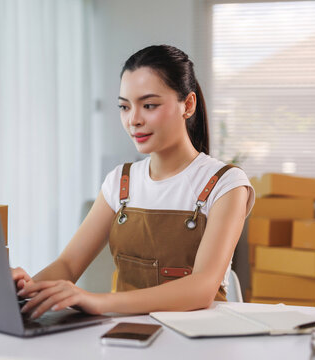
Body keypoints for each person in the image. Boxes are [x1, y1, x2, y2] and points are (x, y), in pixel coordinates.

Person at [13, 45, 255, 319]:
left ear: (187, 105)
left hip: (198, 338)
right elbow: (68, 265)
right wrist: (23, 291)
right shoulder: (120, 181)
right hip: (123, 336)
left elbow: (202, 288)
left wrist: (99, 302)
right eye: (124, 107)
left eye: (149, 105)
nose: (133, 120)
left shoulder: (226, 183)